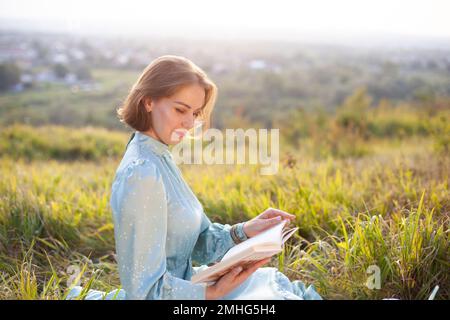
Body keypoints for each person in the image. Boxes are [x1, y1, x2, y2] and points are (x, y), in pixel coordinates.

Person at [65, 55, 322, 300]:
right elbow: (143, 292)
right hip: (184, 295)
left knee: (276, 288)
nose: (189, 123)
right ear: (148, 101)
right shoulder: (142, 173)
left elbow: (193, 243)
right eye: (180, 110)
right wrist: (212, 293)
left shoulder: (159, 156)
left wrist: (243, 231)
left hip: (189, 286)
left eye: (195, 113)